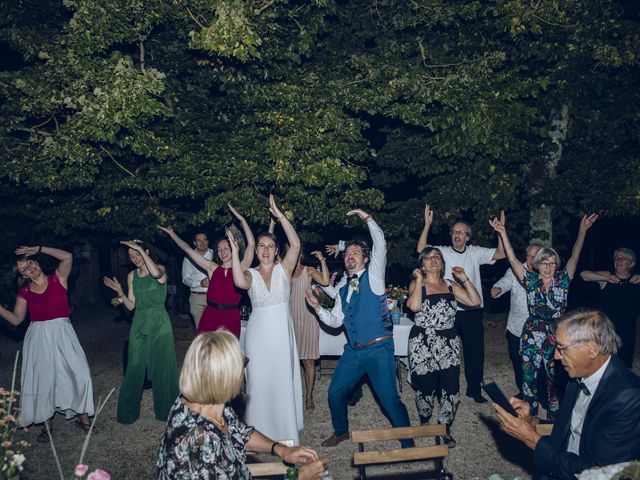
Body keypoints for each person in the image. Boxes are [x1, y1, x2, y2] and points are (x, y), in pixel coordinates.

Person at [305, 209, 413, 448]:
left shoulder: (374, 276)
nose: (350, 257)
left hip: (378, 349)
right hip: (353, 351)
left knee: (389, 399)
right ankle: (341, 431)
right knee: (334, 393)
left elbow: (381, 243)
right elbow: (335, 320)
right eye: (347, 254)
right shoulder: (344, 287)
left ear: (366, 259)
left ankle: (407, 442)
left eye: (356, 253)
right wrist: (316, 308)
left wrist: (368, 219)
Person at [157, 330, 328, 480]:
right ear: (225, 377)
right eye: (242, 364)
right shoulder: (200, 442)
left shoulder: (211, 404)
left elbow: (240, 432)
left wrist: (281, 449)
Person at [493, 309, 640, 480]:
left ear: (592, 350)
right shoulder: (577, 375)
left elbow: (595, 474)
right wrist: (532, 422)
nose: (555, 355)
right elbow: (571, 427)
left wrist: (531, 438)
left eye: (561, 348)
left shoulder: (628, 399)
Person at [489, 213, 598, 418]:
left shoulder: (563, 280)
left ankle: (554, 416)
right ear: (537, 264)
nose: (548, 266)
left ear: (556, 264)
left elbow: (575, 255)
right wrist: (503, 233)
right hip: (531, 332)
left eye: (551, 262)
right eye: (544, 262)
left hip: (556, 334)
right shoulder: (530, 281)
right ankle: (530, 414)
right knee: (528, 375)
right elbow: (511, 258)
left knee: (554, 377)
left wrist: (582, 231)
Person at [228, 194, 303, 444]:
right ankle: (257, 433)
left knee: (282, 380)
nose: (266, 250)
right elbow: (239, 282)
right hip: (258, 336)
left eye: (270, 246)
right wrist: (238, 253)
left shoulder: (285, 269)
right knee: (258, 383)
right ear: (257, 250)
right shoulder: (250, 273)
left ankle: (285, 433)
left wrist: (279, 215)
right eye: (261, 246)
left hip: (282, 334)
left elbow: (295, 244)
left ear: (275, 250)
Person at [0, 245, 94, 443]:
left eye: (30, 263)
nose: (30, 268)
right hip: (38, 337)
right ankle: (47, 426)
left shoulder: (58, 278)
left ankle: (83, 418)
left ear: (36, 261)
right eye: (24, 269)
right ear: (24, 276)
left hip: (63, 332)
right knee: (43, 381)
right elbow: (17, 319)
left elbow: (67, 256)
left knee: (80, 374)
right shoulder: (24, 293)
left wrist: (39, 248)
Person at [416, 204, 506, 403]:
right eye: (454, 233)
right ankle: (441, 388)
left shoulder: (475, 252)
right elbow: (421, 250)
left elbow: (501, 255)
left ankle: (474, 390)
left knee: (475, 352)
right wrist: (427, 224)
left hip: (471, 310)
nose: (457, 236)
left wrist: (500, 232)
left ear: (467, 237)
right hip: (447, 311)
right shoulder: (443, 251)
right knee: (444, 350)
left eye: (461, 233)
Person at [406, 247, 481, 448]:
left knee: (451, 388)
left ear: (442, 263)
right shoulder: (416, 283)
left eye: (437, 257)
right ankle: (424, 420)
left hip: (448, 341)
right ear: (422, 264)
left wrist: (464, 278)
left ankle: (444, 426)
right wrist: (420, 279)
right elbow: (413, 307)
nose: (433, 260)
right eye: (428, 258)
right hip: (422, 341)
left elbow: (475, 301)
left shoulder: (450, 285)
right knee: (425, 387)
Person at [103, 240, 179, 424]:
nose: (135, 258)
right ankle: (128, 413)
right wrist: (120, 292)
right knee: (134, 366)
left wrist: (140, 250)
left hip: (160, 324)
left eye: (137, 253)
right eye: (131, 256)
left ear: (145, 251)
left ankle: (166, 411)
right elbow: (131, 306)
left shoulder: (159, 269)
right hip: (139, 323)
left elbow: (155, 273)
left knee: (162, 368)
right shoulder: (131, 276)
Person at [158, 204, 255, 337]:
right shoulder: (212, 268)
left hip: (230, 316)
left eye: (226, 248)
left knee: (227, 355)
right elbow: (187, 249)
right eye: (219, 249)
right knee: (206, 353)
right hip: (210, 315)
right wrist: (172, 234)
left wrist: (242, 221)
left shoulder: (241, 268)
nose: (222, 252)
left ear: (233, 248)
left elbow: (251, 245)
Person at [491, 243, 543, 398]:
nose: (533, 259)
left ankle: (540, 392)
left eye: (536, 256)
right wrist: (498, 288)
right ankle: (523, 391)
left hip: (539, 329)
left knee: (539, 363)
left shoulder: (545, 273)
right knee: (517, 360)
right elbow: (506, 281)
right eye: (530, 256)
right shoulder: (516, 270)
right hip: (516, 327)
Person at [580, 248, 640, 367]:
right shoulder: (608, 277)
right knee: (604, 364)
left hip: (627, 332)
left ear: (631, 263)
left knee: (624, 366)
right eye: (617, 258)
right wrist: (606, 278)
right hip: (606, 330)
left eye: (623, 258)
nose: (619, 260)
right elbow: (584, 275)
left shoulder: (636, 280)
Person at [290, 250, 330, 412]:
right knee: (289, 362)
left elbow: (326, 282)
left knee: (308, 361)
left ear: (300, 255)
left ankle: (309, 396)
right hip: (289, 320)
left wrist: (322, 259)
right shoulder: (283, 271)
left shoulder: (309, 271)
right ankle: (289, 396)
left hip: (307, 319)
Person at [181, 231, 213, 329]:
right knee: (201, 330)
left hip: (214, 296)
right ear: (194, 243)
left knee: (215, 330)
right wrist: (200, 283)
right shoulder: (188, 258)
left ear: (207, 242)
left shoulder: (215, 255)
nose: (202, 242)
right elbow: (185, 279)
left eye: (204, 240)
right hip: (197, 297)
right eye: (199, 240)